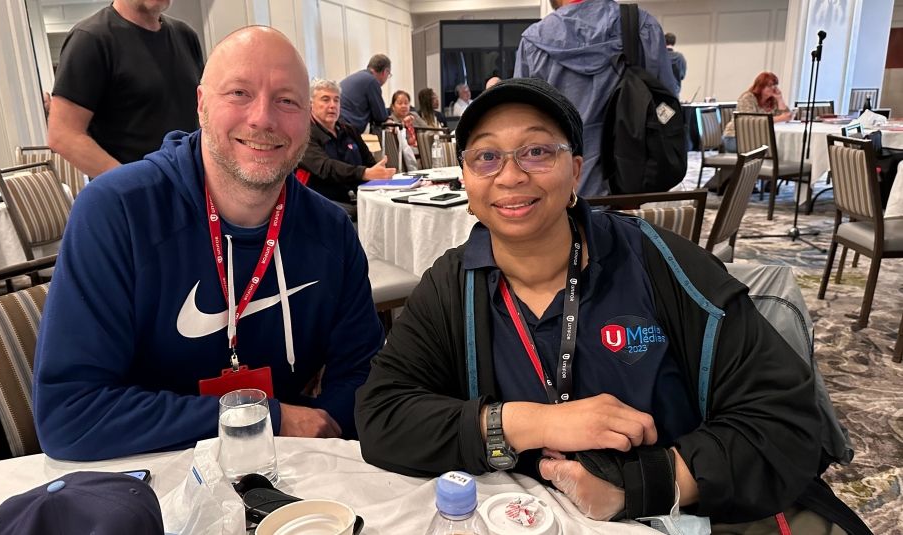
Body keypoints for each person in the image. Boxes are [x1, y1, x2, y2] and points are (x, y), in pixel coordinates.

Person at [356, 78, 867, 533]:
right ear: (465, 180)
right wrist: (534, 422)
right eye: (486, 156)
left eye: (537, 151)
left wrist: (644, 485)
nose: (510, 176)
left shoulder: (659, 263)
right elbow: (381, 416)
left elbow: (786, 421)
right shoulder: (453, 284)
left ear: (576, 171)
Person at [34, 26, 385, 461]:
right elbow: (69, 414)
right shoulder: (115, 213)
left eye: (287, 100)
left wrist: (317, 433)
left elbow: (364, 376)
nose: (262, 118)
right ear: (201, 104)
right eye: (239, 92)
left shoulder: (331, 229)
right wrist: (269, 420)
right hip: (150, 482)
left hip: (293, 475)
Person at [514, 0, 679, 197]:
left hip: (559, 184)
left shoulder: (534, 41)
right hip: (629, 180)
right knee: (626, 227)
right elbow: (665, 99)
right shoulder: (641, 26)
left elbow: (522, 121)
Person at [47, 0, 204, 178]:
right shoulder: (91, 39)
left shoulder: (185, 35)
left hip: (192, 188)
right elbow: (63, 135)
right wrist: (134, 184)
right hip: (135, 198)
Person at [297, 78, 396, 219]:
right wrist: (364, 173)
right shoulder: (303, 134)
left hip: (358, 198)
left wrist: (378, 172)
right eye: (325, 100)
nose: (332, 105)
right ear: (310, 104)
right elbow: (326, 168)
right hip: (321, 203)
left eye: (336, 100)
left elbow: (369, 162)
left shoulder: (348, 130)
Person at [722, 71, 792, 153]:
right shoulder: (748, 98)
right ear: (760, 86)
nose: (773, 88)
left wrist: (780, 99)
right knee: (770, 150)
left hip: (756, 138)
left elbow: (787, 116)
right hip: (736, 138)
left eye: (775, 85)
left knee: (779, 149)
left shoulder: (772, 100)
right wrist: (779, 118)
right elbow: (750, 121)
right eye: (770, 85)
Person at [339, 54, 392, 133]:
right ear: (385, 71)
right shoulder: (372, 81)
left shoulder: (360, 76)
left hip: (338, 122)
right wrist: (390, 119)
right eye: (389, 75)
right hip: (347, 126)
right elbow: (380, 117)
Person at [388, 90, 424, 171]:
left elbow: (427, 130)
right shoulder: (391, 121)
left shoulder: (414, 115)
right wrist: (403, 123)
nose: (404, 106)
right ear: (393, 106)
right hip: (405, 158)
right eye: (400, 103)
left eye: (406, 103)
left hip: (421, 153)